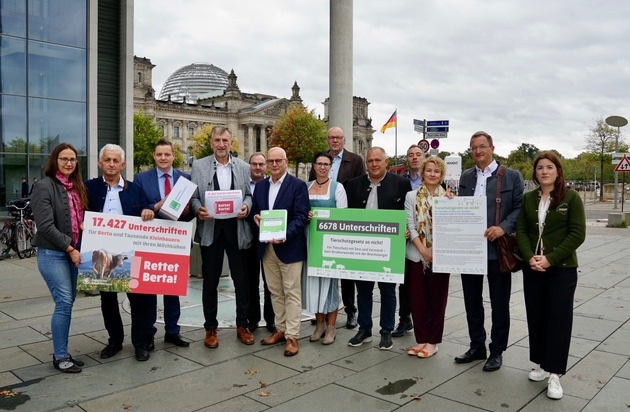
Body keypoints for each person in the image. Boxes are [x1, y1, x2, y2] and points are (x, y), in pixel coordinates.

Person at [516, 151, 585, 400]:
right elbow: (522, 230)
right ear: (535, 173)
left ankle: (555, 373)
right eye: (540, 168)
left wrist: (550, 258)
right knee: (537, 316)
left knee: (558, 319)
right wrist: (529, 257)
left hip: (561, 269)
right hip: (533, 268)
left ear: (558, 171)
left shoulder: (571, 197)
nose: (544, 172)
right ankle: (542, 365)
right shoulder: (528, 199)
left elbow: (577, 234)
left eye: (549, 167)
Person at [455, 131, 524, 371]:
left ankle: (497, 350)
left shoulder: (512, 176)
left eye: (482, 147)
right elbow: (460, 208)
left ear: (492, 148)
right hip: (469, 251)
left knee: (499, 302)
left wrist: (503, 228)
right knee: (472, 301)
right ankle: (477, 346)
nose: (477, 151)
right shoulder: (466, 176)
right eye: (473, 148)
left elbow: (519, 208)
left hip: (497, 251)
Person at [85, 144, 156, 362]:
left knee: (138, 299)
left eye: (116, 161)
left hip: (129, 253)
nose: (112, 164)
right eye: (107, 160)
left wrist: (147, 211)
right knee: (108, 300)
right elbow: (81, 212)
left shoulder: (134, 189)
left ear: (123, 164)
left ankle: (140, 343)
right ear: (100, 163)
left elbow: (147, 210)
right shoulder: (89, 188)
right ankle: (114, 341)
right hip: (101, 253)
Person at [190, 126, 254, 348]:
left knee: (241, 280)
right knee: (210, 281)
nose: (221, 144)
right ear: (211, 143)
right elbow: (194, 196)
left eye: (225, 140)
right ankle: (210, 328)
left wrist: (246, 206)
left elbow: (248, 194)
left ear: (231, 143)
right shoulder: (199, 166)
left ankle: (242, 325)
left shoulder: (244, 167)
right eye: (217, 140)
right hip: (211, 230)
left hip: (236, 230)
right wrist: (199, 209)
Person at [345, 147, 411, 350]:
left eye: (378, 160)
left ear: (386, 162)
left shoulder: (401, 184)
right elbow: (344, 215)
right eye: (370, 160)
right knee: (363, 290)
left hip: (389, 250)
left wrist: (407, 230)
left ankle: (386, 332)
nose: (374, 164)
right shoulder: (353, 185)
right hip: (363, 248)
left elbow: (408, 214)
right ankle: (364, 329)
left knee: (388, 291)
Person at [31, 143, 88, 373]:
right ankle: (61, 356)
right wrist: (70, 248)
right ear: (55, 161)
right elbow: (44, 226)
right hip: (53, 253)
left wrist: (85, 226)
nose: (68, 163)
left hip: (74, 252)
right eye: (64, 159)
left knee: (68, 302)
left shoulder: (77, 187)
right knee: (64, 302)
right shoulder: (44, 186)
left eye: (72, 159)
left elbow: (80, 217)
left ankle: (63, 351)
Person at [251, 147, 309, 356]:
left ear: (286, 161)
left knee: (292, 292)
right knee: (275, 291)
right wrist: (256, 217)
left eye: (278, 161)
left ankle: (292, 336)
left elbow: (301, 217)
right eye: (271, 161)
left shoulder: (298, 186)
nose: (274, 164)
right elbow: (257, 211)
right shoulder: (261, 186)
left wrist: (286, 234)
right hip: (267, 248)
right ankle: (280, 329)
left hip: (289, 246)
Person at [134, 139, 191, 348]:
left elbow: (192, 207)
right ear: (154, 156)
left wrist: (188, 211)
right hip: (151, 239)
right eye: (159, 154)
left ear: (173, 155)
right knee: (149, 289)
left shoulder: (185, 179)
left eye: (167, 154)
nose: (163, 158)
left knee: (172, 289)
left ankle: (172, 331)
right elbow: (137, 206)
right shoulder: (141, 179)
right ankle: (149, 333)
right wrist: (155, 205)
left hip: (176, 240)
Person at [308, 126, 365, 329]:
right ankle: (320, 311)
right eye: (331, 137)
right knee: (319, 272)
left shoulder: (355, 160)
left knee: (345, 273)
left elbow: (360, 187)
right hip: (317, 230)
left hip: (343, 220)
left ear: (344, 139)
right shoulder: (321, 159)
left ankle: (350, 311)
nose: (334, 141)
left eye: (338, 138)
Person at [405, 156, 452, 358]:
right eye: (429, 170)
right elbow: (411, 225)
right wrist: (423, 250)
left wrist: (454, 203)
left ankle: (433, 342)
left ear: (441, 175)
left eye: (437, 171)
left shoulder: (448, 198)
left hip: (442, 257)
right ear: (423, 172)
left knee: (438, 299)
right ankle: (421, 339)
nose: (432, 174)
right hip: (417, 255)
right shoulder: (411, 196)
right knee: (418, 299)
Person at [306, 152, 348, 345]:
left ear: (331, 167)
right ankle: (319, 324)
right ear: (314, 166)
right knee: (314, 284)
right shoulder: (306, 187)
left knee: (330, 285)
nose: (322, 167)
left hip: (330, 244)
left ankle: (331, 327)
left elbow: (342, 217)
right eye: (319, 164)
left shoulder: (337, 188)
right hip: (310, 242)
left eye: (326, 164)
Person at [393, 144, 425, 338]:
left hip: (427, 240)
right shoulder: (400, 181)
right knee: (404, 281)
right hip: (404, 237)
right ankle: (405, 319)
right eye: (410, 155)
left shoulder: (434, 178)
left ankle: (424, 317)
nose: (414, 158)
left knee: (425, 281)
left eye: (418, 154)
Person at [246, 152, 275, 333]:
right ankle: (253, 318)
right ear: (249, 165)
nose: (258, 167)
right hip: (248, 238)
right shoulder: (243, 185)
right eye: (254, 164)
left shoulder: (269, 185)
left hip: (268, 239)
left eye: (261, 164)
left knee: (270, 282)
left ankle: (271, 319)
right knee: (250, 282)